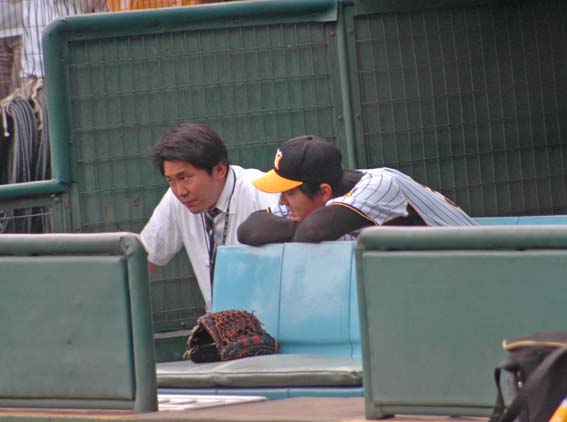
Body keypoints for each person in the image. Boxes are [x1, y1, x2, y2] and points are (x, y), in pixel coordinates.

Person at [237, 135, 477, 245]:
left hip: (484, 263)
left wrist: (292, 229)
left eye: (290, 193)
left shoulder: (380, 184)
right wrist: (295, 227)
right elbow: (248, 229)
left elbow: (311, 231)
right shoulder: (319, 205)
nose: (282, 201)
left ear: (324, 192)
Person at [140, 123, 279, 310]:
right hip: (218, 324)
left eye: (185, 177)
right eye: (170, 181)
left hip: (271, 320)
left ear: (220, 170)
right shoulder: (175, 199)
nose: (180, 191)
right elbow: (141, 261)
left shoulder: (259, 191)